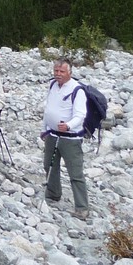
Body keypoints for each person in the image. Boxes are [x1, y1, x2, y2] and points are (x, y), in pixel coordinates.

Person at [42, 59, 90, 218]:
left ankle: (82, 207)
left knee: (75, 173)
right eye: (56, 71)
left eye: (62, 71)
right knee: (49, 165)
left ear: (70, 72)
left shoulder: (77, 90)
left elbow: (80, 115)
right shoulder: (53, 85)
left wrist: (68, 125)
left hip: (70, 138)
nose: (58, 74)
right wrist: (44, 129)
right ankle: (53, 193)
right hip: (53, 134)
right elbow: (48, 109)